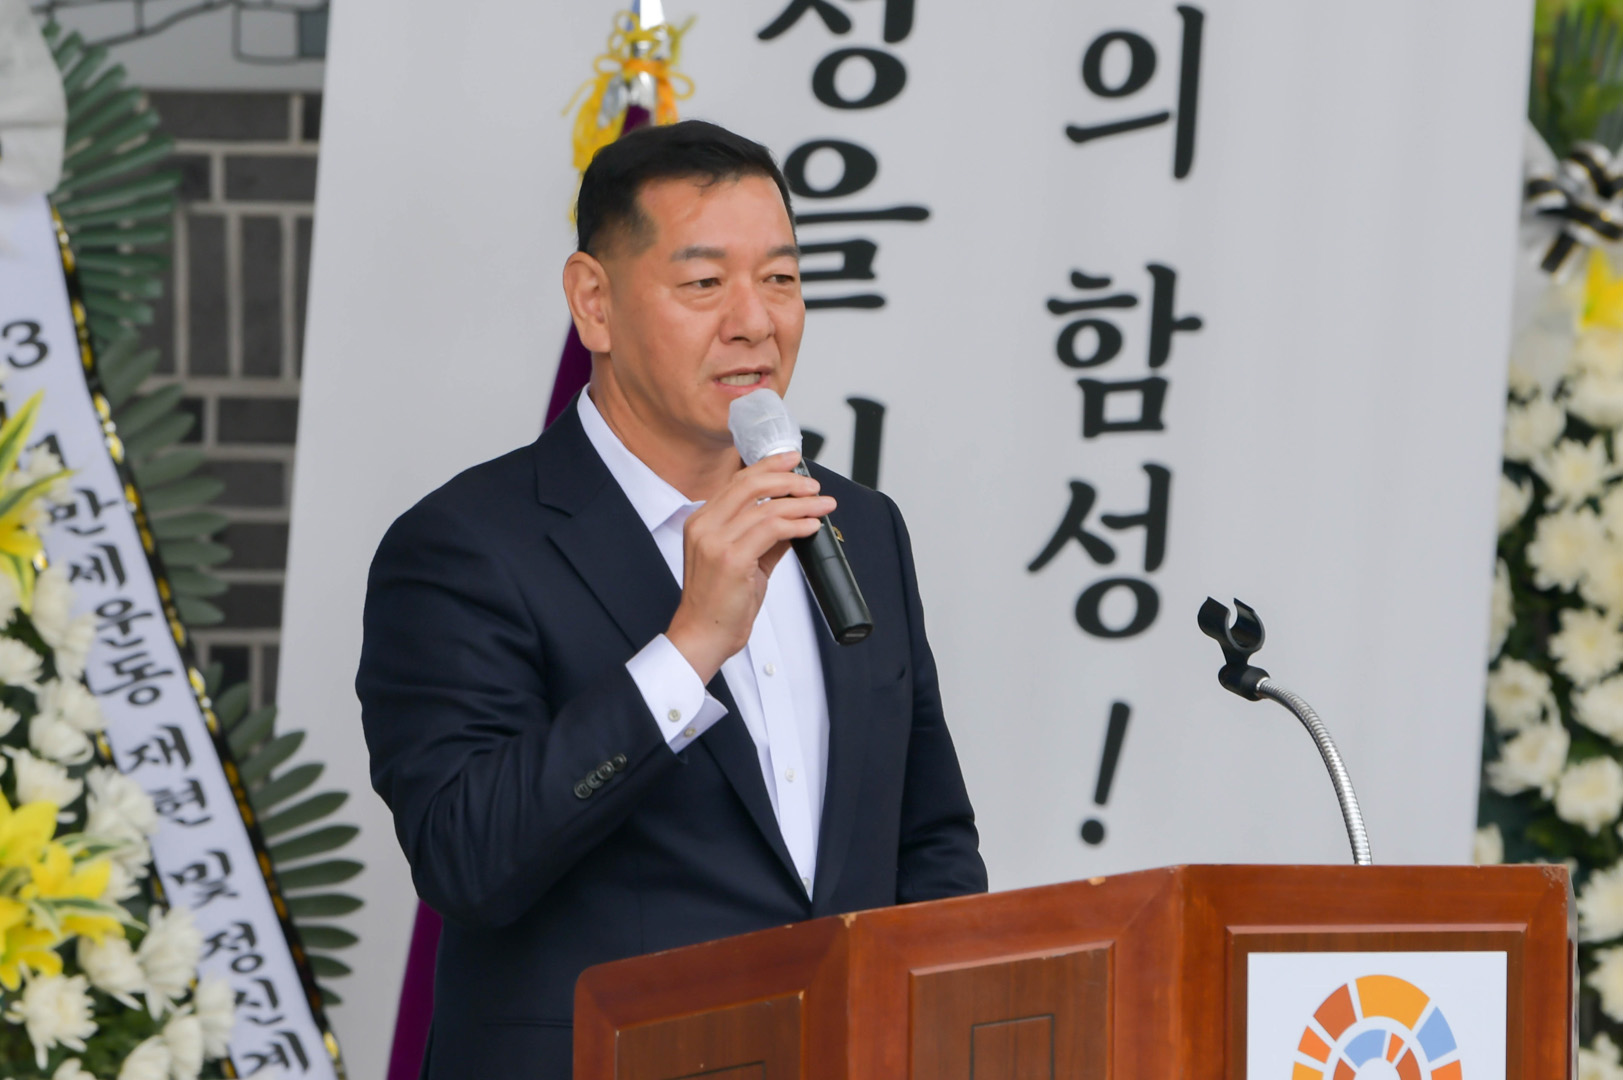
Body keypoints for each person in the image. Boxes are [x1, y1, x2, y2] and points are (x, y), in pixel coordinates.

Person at [356, 119, 986, 1077]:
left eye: (780, 278)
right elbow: (466, 859)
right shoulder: (465, 546)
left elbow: (927, 835)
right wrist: (688, 647)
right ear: (594, 303)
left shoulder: (857, 524)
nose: (754, 321)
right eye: (703, 284)